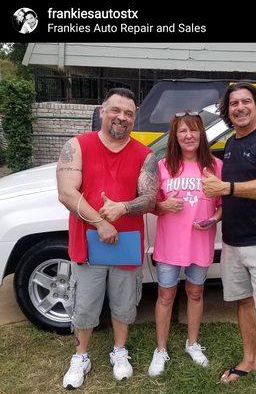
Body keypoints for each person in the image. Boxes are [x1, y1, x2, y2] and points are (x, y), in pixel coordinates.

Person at [56, 87, 158, 390]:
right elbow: (66, 192)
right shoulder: (77, 145)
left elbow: (150, 198)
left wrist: (124, 207)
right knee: (85, 305)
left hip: (126, 248)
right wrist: (101, 222)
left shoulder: (145, 154)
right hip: (88, 244)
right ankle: (81, 356)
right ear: (102, 111)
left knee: (124, 304)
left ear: (134, 119)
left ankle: (119, 351)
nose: (121, 117)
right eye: (116, 110)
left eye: (128, 113)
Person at [202, 82, 256, 394]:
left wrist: (226, 188)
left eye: (245, 101)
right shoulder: (230, 144)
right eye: (233, 103)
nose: (239, 107)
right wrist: (217, 214)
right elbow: (235, 194)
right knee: (243, 302)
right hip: (234, 240)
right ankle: (250, 360)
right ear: (227, 111)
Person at [147, 111, 222, 377]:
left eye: (193, 130)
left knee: (195, 293)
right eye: (182, 131)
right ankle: (161, 349)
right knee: (165, 296)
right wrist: (162, 205)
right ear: (175, 136)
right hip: (169, 244)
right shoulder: (163, 166)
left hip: (199, 242)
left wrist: (213, 218)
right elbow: (151, 203)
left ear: (202, 134)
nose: (188, 135)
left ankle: (192, 343)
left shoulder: (214, 166)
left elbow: (222, 205)